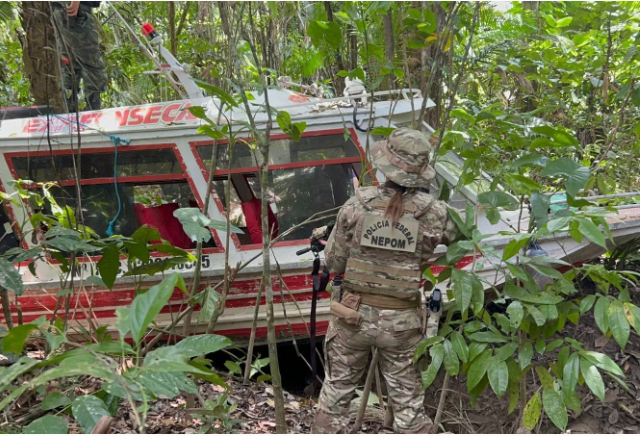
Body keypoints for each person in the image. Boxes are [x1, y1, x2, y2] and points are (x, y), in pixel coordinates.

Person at [312, 128, 460, 433]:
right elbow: (464, 239)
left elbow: (334, 262)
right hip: (403, 322)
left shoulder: (356, 206)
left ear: (385, 164)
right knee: (408, 407)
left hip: (351, 317)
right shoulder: (437, 213)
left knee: (336, 396)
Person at [51, 1, 107, 112]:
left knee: (69, 63)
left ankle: (68, 108)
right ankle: (92, 109)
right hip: (74, 11)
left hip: (61, 10)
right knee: (91, 63)